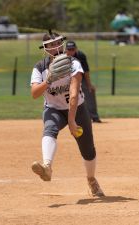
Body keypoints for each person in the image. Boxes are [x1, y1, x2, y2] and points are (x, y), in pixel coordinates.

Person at [30, 30, 105, 197]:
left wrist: (72, 120)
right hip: (53, 109)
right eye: (50, 45)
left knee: (87, 149)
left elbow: (73, 93)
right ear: (45, 48)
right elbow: (34, 93)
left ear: (62, 44)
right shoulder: (40, 67)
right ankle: (47, 167)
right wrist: (49, 79)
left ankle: (91, 179)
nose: (55, 47)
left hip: (77, 109)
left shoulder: (73, 63)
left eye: (57, 43)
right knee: (50, 128)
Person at [65, 40, 102, 123]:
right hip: (67, 78)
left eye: (73, 49)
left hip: (81, 77)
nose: (71, 51)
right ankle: (67, 118)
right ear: (65, 50)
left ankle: (94, 116)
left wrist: (89, 85)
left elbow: (86, 71)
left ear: (76, 49)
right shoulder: (62, 57)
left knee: (90, 91)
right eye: (69, 49)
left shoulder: (80, 55)